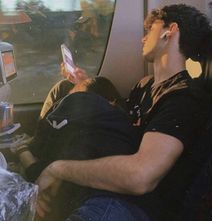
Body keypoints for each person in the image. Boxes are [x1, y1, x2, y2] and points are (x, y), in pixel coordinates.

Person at [35, 4, 212, 221]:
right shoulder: (144, 86)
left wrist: (58, 169)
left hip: (130, 204)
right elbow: (116, 126)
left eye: (149, 30)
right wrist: (82, 85)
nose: (142, 38)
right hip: (104, 189)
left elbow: (140, 176)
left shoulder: (183, 98)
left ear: (171, 30)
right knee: (64, 89)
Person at [11, 76, 144, 220]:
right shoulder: (122, 130)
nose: (63, 102)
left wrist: (22, 149)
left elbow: (39, 173)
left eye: (70, 96)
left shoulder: (82, 111)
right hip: (116, 205)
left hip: (104, 204)